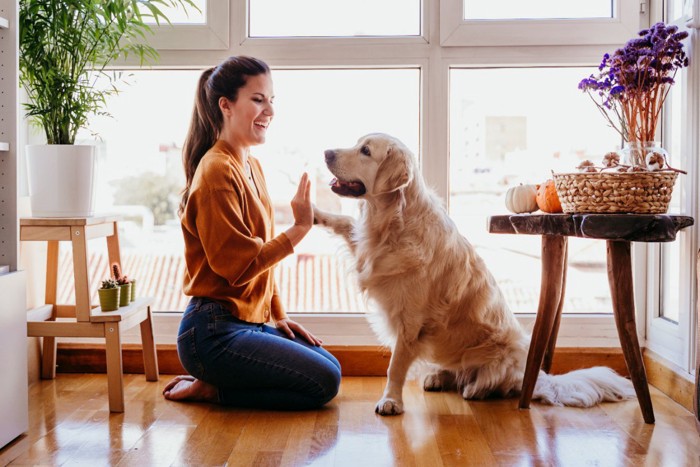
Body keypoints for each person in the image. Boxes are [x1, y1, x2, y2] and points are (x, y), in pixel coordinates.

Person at [162, 56, 341, 410]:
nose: (269, 110)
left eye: (272, 100)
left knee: (331, 365)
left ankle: (219, 382)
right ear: (225, 106)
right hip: (211, 332)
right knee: (324, 382)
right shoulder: (215, 171)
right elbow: (239, 266)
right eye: (258, 99)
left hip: (247, 322)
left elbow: (261, 259)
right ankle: (214, 389)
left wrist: (278, 314)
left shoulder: (250, 165)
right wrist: (301, 228)